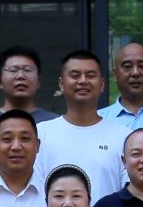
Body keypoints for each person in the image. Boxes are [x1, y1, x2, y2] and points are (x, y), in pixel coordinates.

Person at [37, 51, 132, 197]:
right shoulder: (41, 134)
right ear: (61, 84)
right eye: (75, 75)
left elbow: (130, 193)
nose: (83, 81)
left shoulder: (124, 137)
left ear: (102, 84)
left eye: (90, 75)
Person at [0, 47, 60, 125]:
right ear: (0, 82)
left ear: (38, 81)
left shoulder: (56, 123)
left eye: (27, 70)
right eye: (13, 70)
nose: (21, 76)